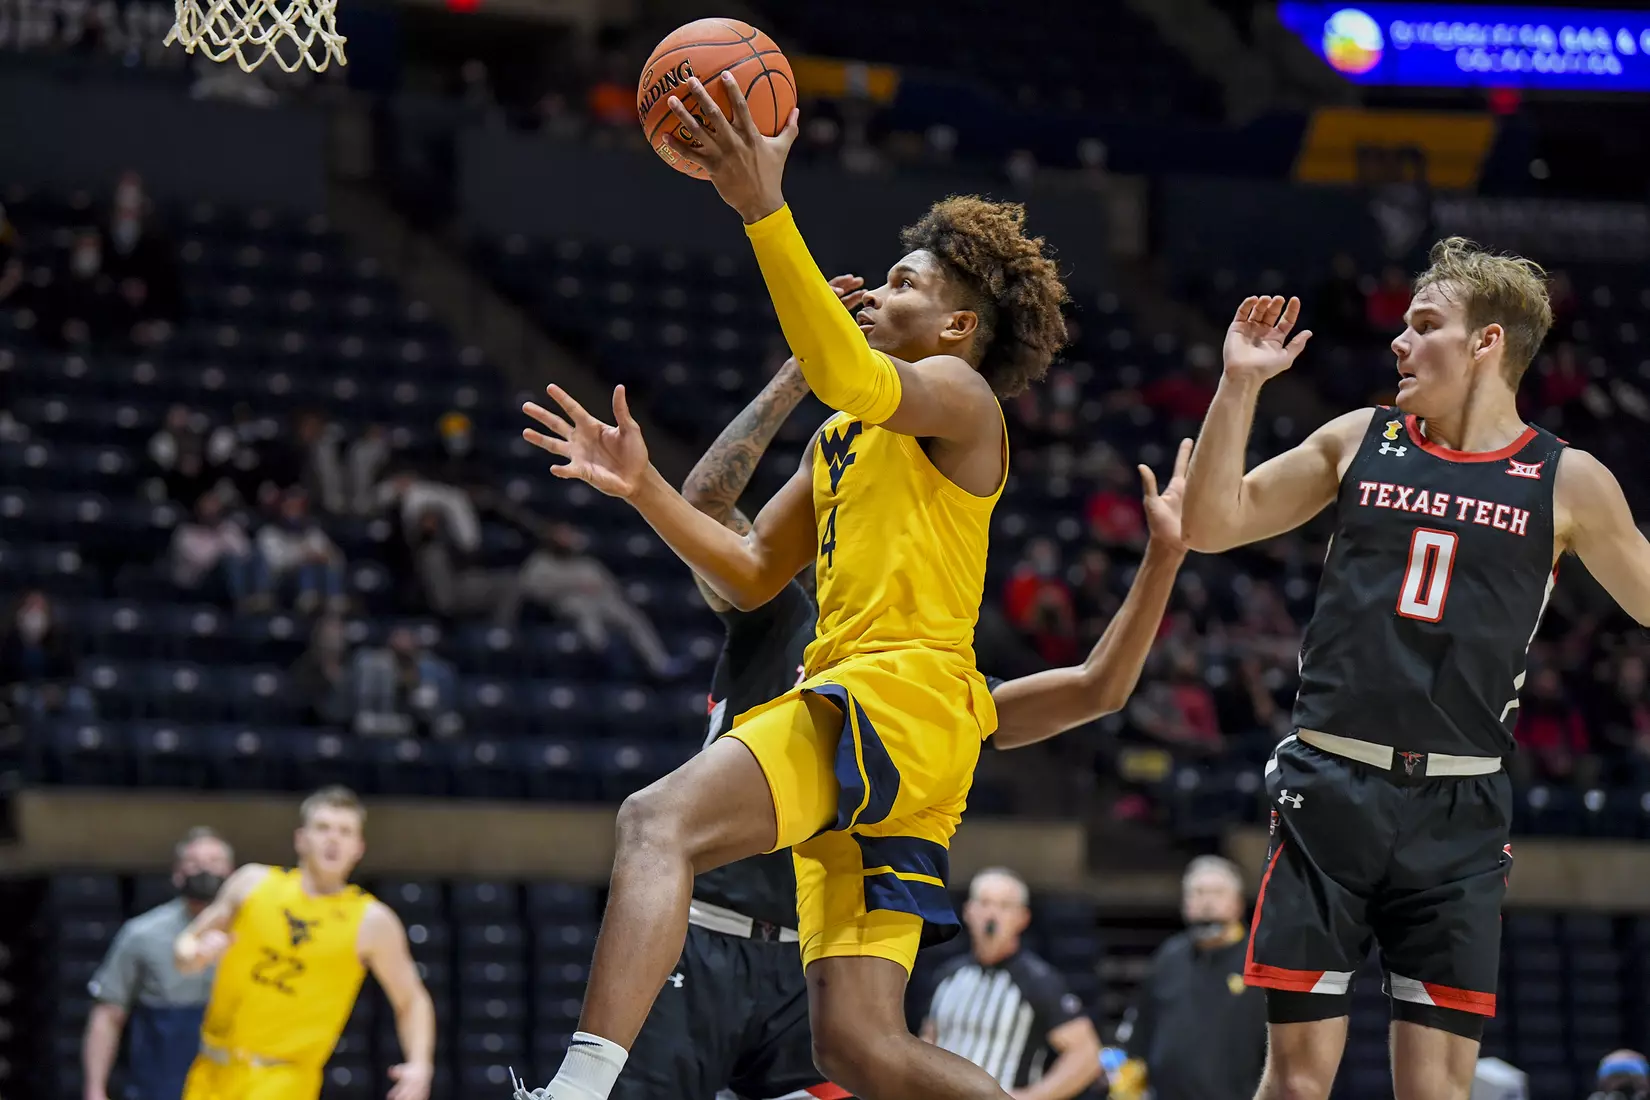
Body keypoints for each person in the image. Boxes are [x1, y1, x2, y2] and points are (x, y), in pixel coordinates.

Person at [517, 71, 1070, 1100]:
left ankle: (577, 1088)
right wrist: (641, 487)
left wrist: (764, 210)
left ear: (958, 328)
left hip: (892, 699)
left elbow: (848, 371)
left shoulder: (963, 397)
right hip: (905, 732)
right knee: (861, 1047)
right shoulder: (844, 436)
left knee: (655, 820)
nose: (884, 293)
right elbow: (749, 567)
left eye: (908, 284)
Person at [610, 331, 1188, 1100]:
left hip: (803, 967)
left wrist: (1163, 559)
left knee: (864, 1047)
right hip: (708, 931)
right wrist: (791, 382)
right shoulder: (779, 611)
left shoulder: (935, 698)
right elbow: (710, 512)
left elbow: (1094, 688)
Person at [1178, 239, 1650, 1100]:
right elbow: (1211, 524)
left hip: (1460, 807)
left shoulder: (1567, 480)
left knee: (1436, 1091)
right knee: (1293, 1086)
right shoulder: (1361, 437)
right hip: (1329, 787)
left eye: (1424, 325)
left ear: (1487, 344)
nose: (1398, 341)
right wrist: (1238, 384)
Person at [173, 787, 435, 1100]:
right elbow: (186, 943)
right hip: (210, 1072)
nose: (333, 839)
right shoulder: (253, 883)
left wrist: (420, 1064)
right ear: (301, 838)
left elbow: (412, 1000)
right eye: (323, 828)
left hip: (283, 1080)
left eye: (345, 831)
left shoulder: (371, 921)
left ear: (359, 847)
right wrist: (195, 956)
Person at [84, 828, 237, 1100]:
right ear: (177, 874)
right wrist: (95, 1089)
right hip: (160, 1081)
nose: (204, 871)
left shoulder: (257, 931)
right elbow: (108, 1013)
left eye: (214, 862)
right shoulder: (142, 934)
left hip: (235, 1080)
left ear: (232, 873)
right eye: (194, 863)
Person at [921, 869, 1102, 1099]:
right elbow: (929, 1040)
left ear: (1022, 918)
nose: (992, 914)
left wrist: (1031, 1097)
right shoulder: (948, 975)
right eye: (984, 903)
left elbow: (1086, 1055)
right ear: (968, 911)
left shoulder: (1038, 980)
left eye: (1004, 906)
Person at [1113, 857, 1266, 1100]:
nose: (1207, 902)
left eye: (1217, 893)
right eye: (1198, 893)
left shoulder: (1260, 962)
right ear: (1185, 903)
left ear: (1237, 903)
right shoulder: (1167, 958)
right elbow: (1140, 1032)